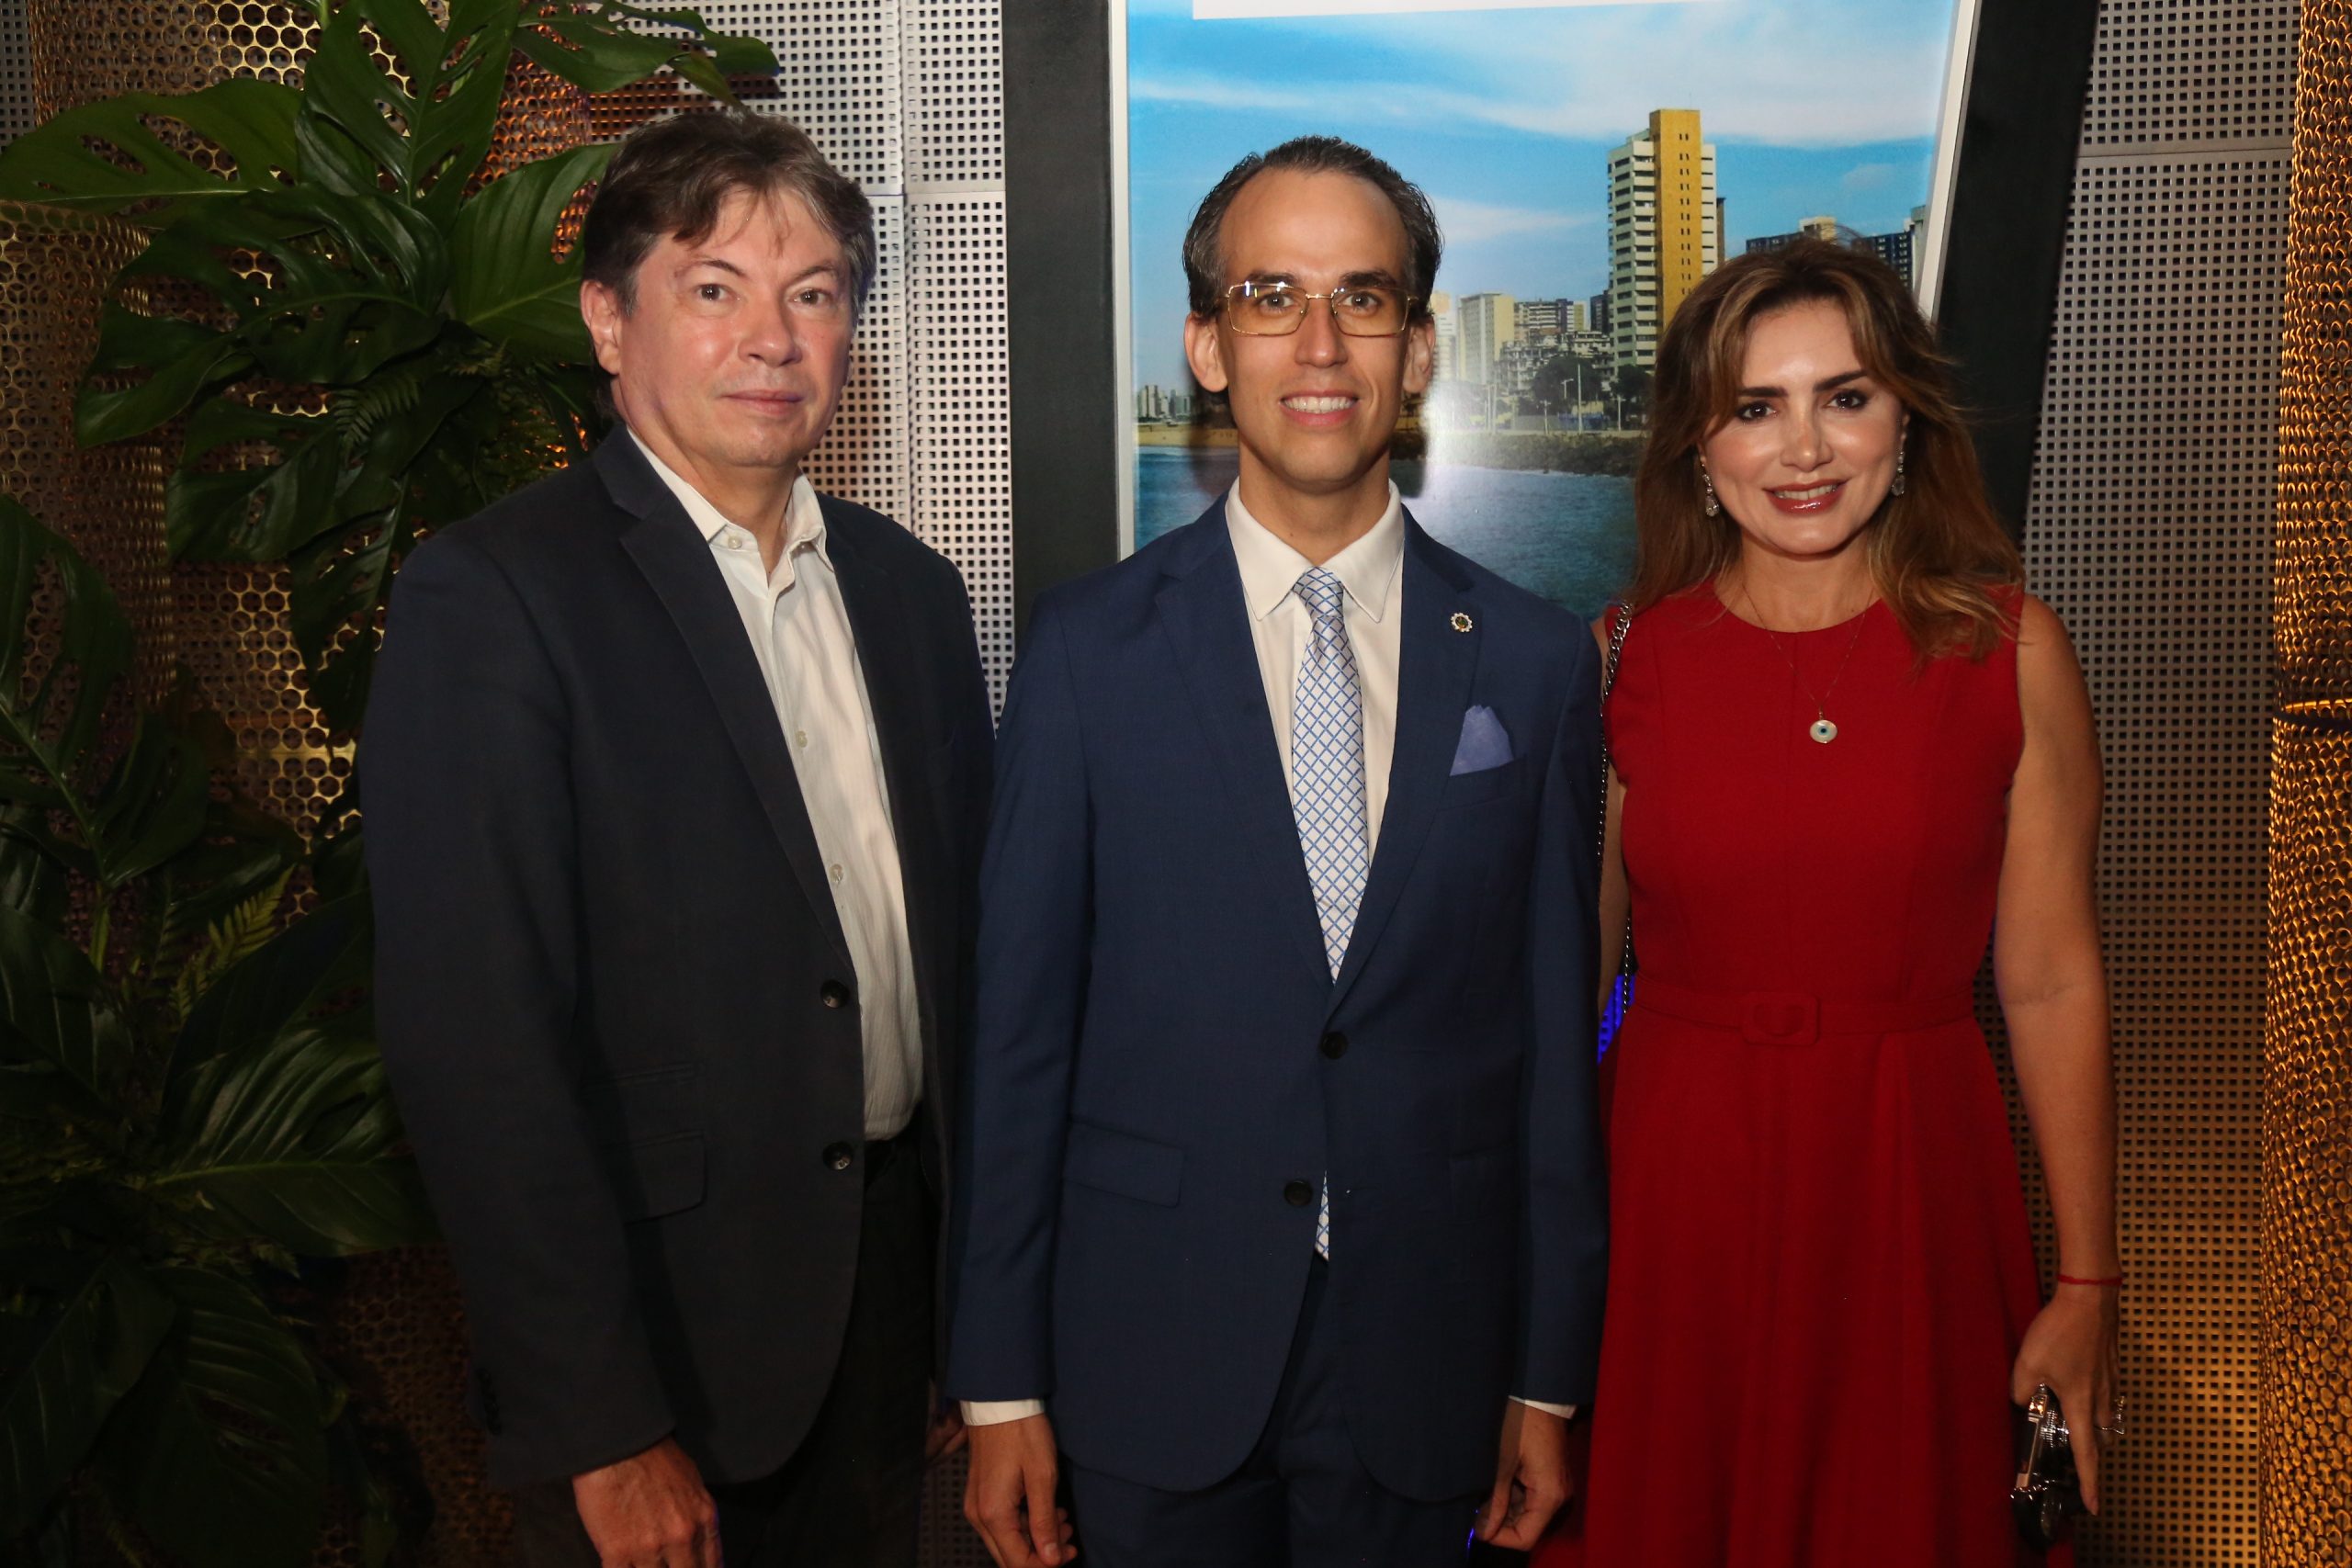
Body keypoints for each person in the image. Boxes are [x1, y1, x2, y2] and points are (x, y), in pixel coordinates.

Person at [945, 136, 1609, 1568]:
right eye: (1270, 296)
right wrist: (998, 1380)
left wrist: (1548, 1372)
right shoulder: (1084, 653)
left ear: (1417, 350)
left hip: (1433, 1353)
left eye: (1362, 298)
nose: (1320, 343)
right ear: (1207, 346)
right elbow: (1018, 1040)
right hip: (1147, 1349)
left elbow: (1558, 1048)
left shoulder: (1538, 661)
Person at [365, 110, 993, 1568]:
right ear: (607, 319)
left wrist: (967, 1321)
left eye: (815, 293)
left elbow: (957, 979)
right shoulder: (496, 597)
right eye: (715, 288)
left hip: (888, 1314)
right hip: (658, 1342)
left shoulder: (914, 597)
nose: (773, 337)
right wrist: (598, 1422)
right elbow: (477, 1048)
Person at [1544, 238, 2120, 1568]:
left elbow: (2049, 980)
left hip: (1913, 1180)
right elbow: (1569, 986)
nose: (1803, 449)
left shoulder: (2008, 649)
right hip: (1672, 1188)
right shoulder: (1621, 658)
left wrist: (2088, 1280)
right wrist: (1532, 1278)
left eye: (1844, 398)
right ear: (1699, 444)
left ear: (1904, 421)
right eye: (1755, 407)